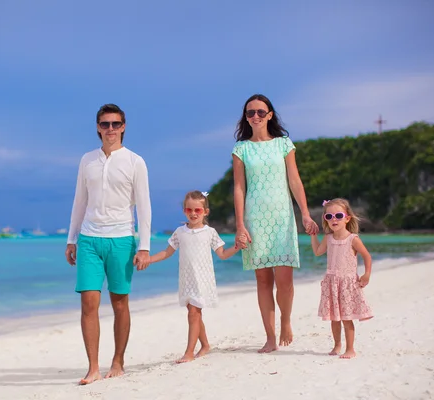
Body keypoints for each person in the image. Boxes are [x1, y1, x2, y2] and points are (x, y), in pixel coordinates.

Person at [65, 103, 151, 385]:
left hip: (122, 240)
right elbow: (80, 200)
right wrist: (71, 239)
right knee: (88, 303)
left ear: (123, 127)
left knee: (119, 304)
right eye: (105, 124)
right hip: (89, 239)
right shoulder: (87, 160)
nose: (110, 129)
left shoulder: (135, 161)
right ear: (98, 128)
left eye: (115, 124)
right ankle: (93, 367)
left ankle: (118, 361)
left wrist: (144, 246)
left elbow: (145, 207)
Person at [232, 94, 319, 353]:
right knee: (262, 281)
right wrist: (239, 225)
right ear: (245, 117)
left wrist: (304, 213)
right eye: (250, 113)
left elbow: (294, 180)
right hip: (255, 219)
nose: (255, 117)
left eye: (260, 112)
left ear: (270, 114)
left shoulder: (283, 144)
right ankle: (270, 337)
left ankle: (285, 320)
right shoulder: (241, 148)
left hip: (282, 217)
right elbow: (238, 187)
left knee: (285, 280)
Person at [140, 191, 241, 363]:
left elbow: (223, 254)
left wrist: (238, 247)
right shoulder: (180, 232)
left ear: (205, 212)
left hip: (202, 279)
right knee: (194, 312)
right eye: (189, 210)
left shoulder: (210, 232)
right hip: (187, 279)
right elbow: (167, 252)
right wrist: (149, 259)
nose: (193, 214)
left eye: (198, 210)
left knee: (194, 313)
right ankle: (205, 345)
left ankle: (189, 352)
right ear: (184, 211)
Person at [310, 198, 373, 359]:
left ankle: (350, 349)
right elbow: (317, 252)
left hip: (347, 284)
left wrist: (366, 274)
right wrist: (313, 236)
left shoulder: (353, 239)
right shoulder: (328, 238)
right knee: (334, 318)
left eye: (338, 215)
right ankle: (337, 345)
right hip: (332, 283)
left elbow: (367, 256)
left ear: (347, 218)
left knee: (346, 318)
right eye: (329, 217)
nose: (334, 220)